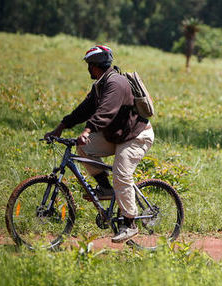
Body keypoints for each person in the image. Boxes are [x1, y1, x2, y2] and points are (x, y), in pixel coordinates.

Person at [44, 45, 154, 243]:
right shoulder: (100, 85)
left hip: (136, 136)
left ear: (96, 66)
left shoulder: (116, 83)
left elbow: (106, 111)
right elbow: (84, 109)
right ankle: (105, 188)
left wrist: (87, 131)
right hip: (118, 135)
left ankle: (130, 224)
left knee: (121, 174)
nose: (88, 69)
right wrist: (61, 126)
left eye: (89, 65)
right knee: (84, 148)